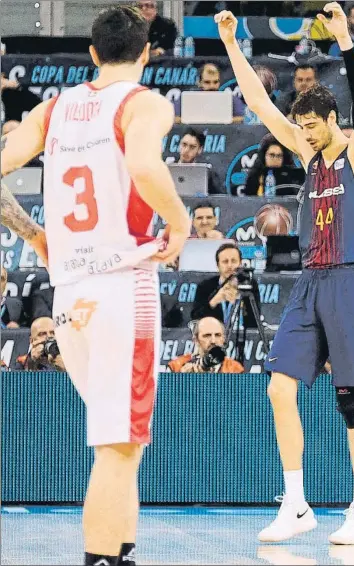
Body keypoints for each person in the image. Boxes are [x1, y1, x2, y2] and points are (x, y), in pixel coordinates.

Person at [1, 6, 191, 566]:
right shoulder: (144, 102)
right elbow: (146, 166)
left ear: (90, 54)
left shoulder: (53, 108)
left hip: (70, 294)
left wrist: (34, 233)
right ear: (147, 53)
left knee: (124, 444)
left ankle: (121, 553)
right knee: (116, 444)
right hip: (118, 285)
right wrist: (179, 224)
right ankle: (101, 559)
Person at [216, 1, 354, 545]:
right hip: (309, 285)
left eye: (312, 128)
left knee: (351, 403)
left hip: (351, 283)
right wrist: (230, 47)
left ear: (332, 120)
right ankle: (296, 503)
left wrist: (346, 43)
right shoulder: (307, 154)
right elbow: (261, 103)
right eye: (302, 129)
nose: (304, 137)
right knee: (278, 388)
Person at [191, 242, 261, 328]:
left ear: (240, 264)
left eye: (234, 261)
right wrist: (214, 301)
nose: (230, 266)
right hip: (214, 337)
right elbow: (195, 318)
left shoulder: (249, 285)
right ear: (218, 265)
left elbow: (255, 320)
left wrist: (242, 300)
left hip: (241, 336)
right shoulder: (205, 286)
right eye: (225, 262)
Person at [168, 316, 244, 373]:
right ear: (196, 340)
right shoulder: (176, 366)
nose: (213, 341)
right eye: (207, 335)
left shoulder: (235, 369)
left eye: (217, 335)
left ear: (223, 339)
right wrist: (180, 380)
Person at [174, 127, 223, 194]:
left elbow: (218, 199)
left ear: (199, 149)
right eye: (184, 144)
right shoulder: (165, 169)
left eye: (192, 147)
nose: (186, 150)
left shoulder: (207, 174)